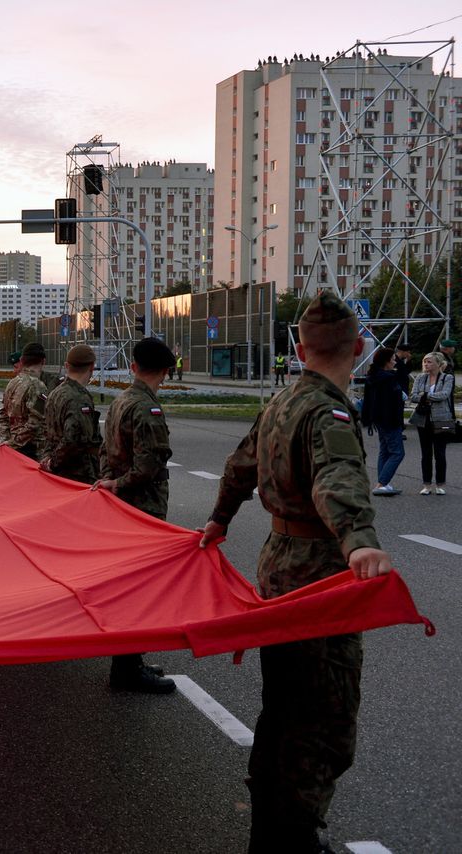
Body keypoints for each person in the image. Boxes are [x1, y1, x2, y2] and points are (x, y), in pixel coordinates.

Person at [199, 292, 392, 853]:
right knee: (324, 719)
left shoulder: (282, 402)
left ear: (301, 349)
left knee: (284, 705)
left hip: (279, 565)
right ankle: (297, 838)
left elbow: (239, 465)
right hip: (319, 582)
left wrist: (218, 520)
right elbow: (336, 478)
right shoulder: (327, 410)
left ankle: (271, 830)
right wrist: (359, 542)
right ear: (357, 349)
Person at [94, 338, 178, 695]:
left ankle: (129, 661)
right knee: (138, 589)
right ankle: (127, 669)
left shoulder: (121, 401)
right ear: (165, 371)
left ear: (133, 366)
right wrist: (120, 483)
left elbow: (103, 449)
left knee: (127, 584)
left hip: (123, 505)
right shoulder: (146, 408)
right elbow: (147, 465)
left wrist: (109, 482)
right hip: (143, 505)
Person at [42, 344, 102, 483]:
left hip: (58, 471)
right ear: (92, 367)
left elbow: (48, 432)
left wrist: (48, 459)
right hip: (77, 474)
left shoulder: (55, 393)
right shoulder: (79, 398)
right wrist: (53, 463)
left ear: (67, 366)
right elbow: (74, 440)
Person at [360, 347, 406, 496]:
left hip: (378, 418)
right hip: (390, 419)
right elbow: (391, 402)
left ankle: (382, 483)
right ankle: (381, 483)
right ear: (386, 361)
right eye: (393, 359)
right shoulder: (388, 378)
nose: (395, 362)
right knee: (398, 453)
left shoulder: (372, 376)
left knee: (385, 451)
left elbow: (369, 400)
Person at [407, 351, 454, 495]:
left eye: (429, 362)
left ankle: (440, 484)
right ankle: (426, 485)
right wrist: (425, 397)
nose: (426, 364)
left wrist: (425, 396)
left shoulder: (447, 377)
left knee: (440, 453)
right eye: (425, 362)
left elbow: (444, 395)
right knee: (425, 454)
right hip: (423, 419)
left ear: (438, 364)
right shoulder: (420, 378)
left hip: (441, 419)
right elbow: (413, 396)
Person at [0, 342, 50, 460]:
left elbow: (3, 415)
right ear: (43, 361)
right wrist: (13, 443)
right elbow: (34, 425)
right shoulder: (38, 385)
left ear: (22, 360)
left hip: (14, 448)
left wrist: (5, 439)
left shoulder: (13, 382)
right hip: (32, 451)